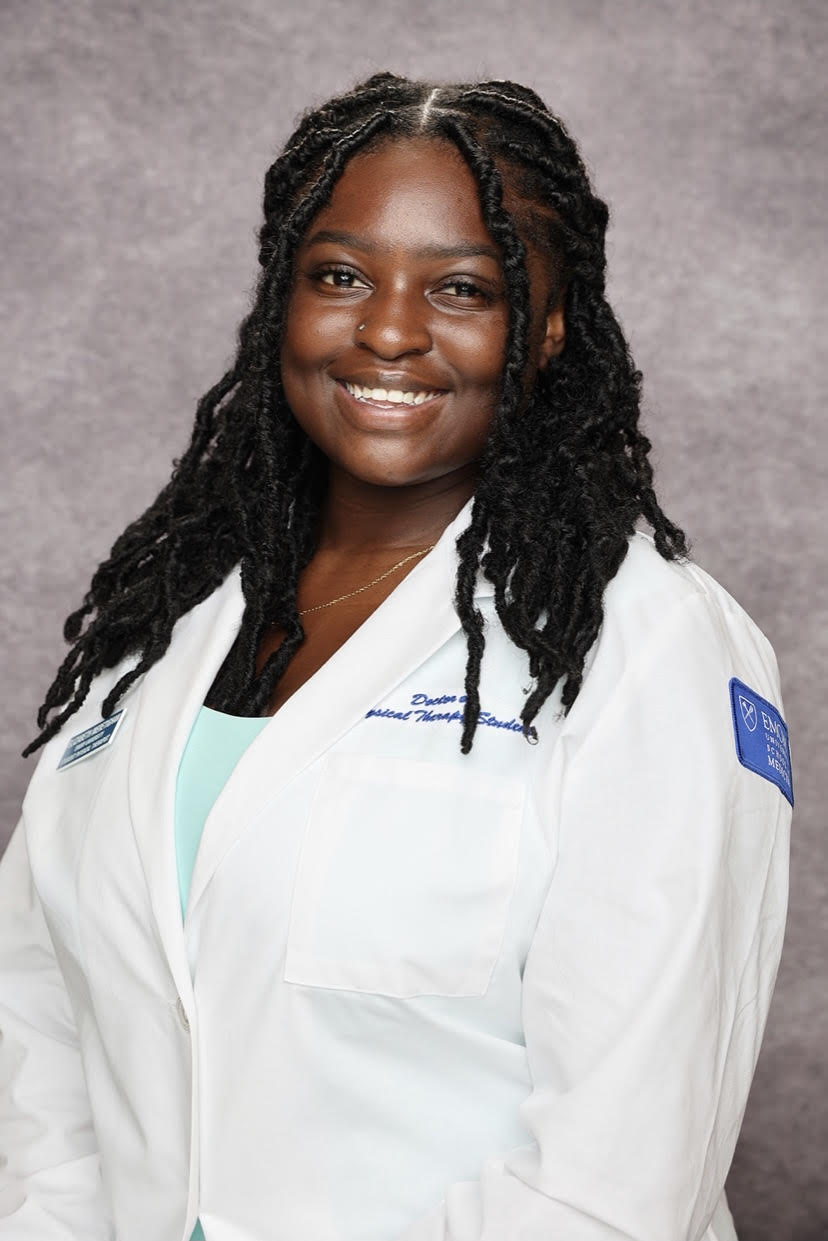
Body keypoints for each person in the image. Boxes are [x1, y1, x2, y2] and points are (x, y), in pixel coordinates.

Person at [0, 73, 792, 1241]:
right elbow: (42, 1036)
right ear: (284, 297)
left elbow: (615, 1178)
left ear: (551, 326)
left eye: (462, 286)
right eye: (340, 275)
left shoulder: (647, 644)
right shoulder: (156, 633)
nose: (387, 328)